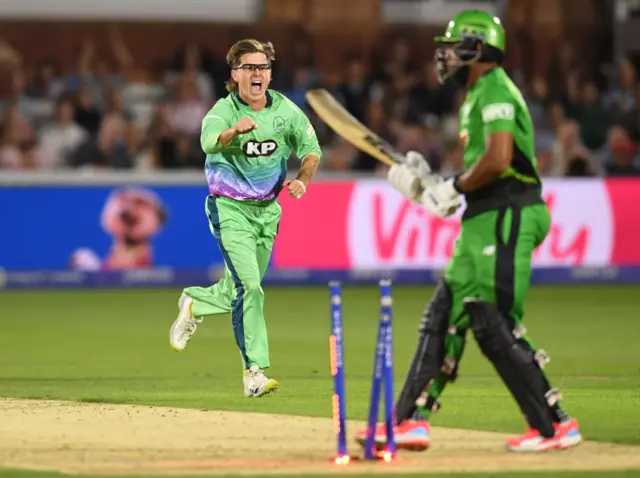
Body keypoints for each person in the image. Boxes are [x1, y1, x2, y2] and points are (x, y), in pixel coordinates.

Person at [355, 10, 582, 453]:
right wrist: (433, 184)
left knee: (491, 318)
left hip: (508, 213)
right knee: (444, 314)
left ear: (476, 48)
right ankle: (408, 422)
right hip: (486, 215)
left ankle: (554, 425)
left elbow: (498, 160)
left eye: (452, 46)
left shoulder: (493, 89)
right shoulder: (478, 94)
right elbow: (485, 168)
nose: (444, 55)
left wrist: (451, 186)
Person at [169, 39, 322, 398]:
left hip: (268, 213)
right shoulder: (223, 111)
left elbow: (311, 150)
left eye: (263, 67)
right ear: (234, 74)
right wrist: (233, 132)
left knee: (239, 289)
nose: (258, 74)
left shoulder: (286, 111)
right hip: (229, 208)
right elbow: (209, 142)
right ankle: (253, 372)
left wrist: (302, 179)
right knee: (251, 288)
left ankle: (194, 302)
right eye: (250, 68)